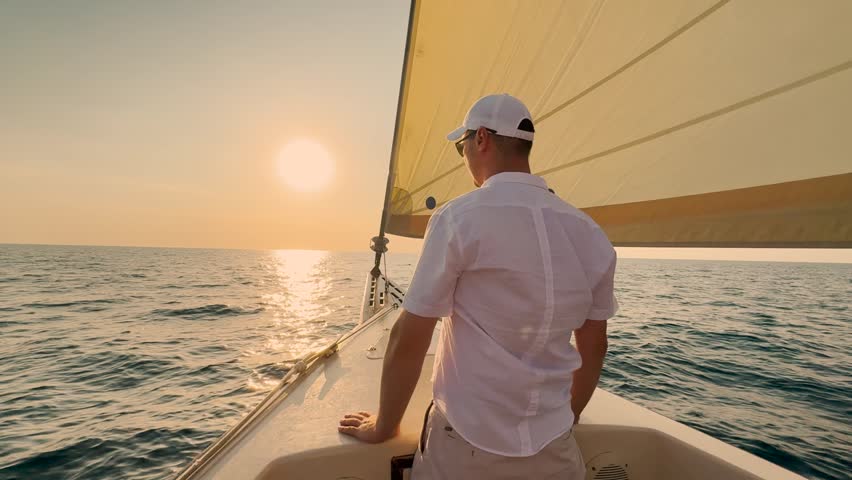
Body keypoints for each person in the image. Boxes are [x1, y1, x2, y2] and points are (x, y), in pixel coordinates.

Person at [338, 94, 617, 479]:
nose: (464, 154)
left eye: (461, 145)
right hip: (555, 452)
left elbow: (410, 337)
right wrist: (566, 419)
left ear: (481, 138)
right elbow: (594, 344)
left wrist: (384, 426)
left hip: (464, 451)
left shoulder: (458, 219)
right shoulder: (590, 234)